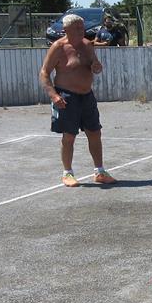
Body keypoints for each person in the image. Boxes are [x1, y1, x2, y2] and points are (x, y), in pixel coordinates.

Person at [39, 13, 116, 187]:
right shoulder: (58, 47)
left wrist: (97, 67)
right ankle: (67, 173)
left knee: (95, 133)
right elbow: (44, 73)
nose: (82, 30)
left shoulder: (87, 45)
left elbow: (95, 66)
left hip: (87, 96)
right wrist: (54, 95)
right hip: (66, 97)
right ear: (66, 29)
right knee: (69, 136)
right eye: (77, 28)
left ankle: (100, 172)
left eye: (82, 27)